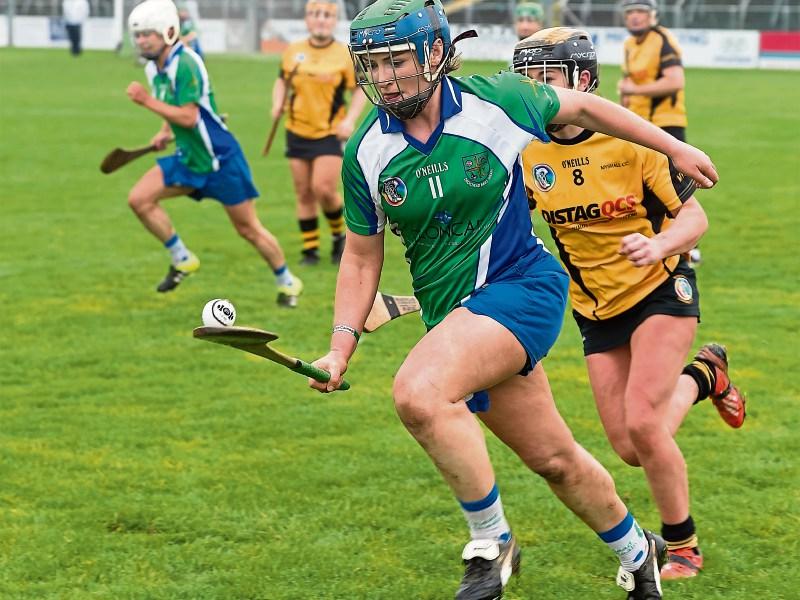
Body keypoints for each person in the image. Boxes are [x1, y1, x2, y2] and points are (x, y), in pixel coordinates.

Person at [309, 0, 719, 598]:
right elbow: (361, 256)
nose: (387, 77)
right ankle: (639, 554)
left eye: (398, 60)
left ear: (434, 54)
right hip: (457, 319)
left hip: (523, 288)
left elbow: (579, 106)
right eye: (374, 65)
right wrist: (338, 349)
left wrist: (673, 147)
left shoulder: (495, 100)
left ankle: (491, 542)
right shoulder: (365, 151)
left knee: (419, 394)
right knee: (555, 460)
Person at [513, 27, 746, 582]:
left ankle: (682, 545)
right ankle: (704, 378)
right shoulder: (524, 152)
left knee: (644, 424)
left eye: (550, 76)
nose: (538, 89)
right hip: (593, 309)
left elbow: (696, 218)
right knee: (629, 446)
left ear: (584, 80)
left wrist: (661, 243)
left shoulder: (634, 142)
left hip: (661, 290)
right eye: (529, 78)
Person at [125, 0, 303, 306]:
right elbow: (174, 109)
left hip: (220, 161)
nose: (142, 41)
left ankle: (287, 281)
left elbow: (190, 116)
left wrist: (145, 102)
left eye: (147, 35)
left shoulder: (187, 63)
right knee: (139, 199)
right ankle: (182, 258)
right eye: (138, 36)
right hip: (189, 159)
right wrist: (164, 132)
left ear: (168, 32)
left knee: (248, 228)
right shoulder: (154, 68)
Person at [271, 0, 367, 265]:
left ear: (333, 20)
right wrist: (276, 103)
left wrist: (349, 120)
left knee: (323, 188)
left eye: (326, 15)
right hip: (296, 129)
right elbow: (281, 80)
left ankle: (339, 237)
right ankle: (310, 250)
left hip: (329, 133)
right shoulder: (293, 51)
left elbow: (359, 89)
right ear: (307, 19)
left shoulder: (343, 55)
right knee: (303, 192)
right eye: (315, 14)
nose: (321, 19)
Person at [617, 0, 700, 265]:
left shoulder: (663, 40)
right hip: (639, 126)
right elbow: (629, 82)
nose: (635, 17)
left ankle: (688, 245)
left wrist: (633, 92)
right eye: (630, 12)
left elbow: (675, 81)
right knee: (639, 189)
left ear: (653, 15)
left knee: (673, 192)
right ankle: (650, 241)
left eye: (640, 12)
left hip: (665, 125)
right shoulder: (629, 45)